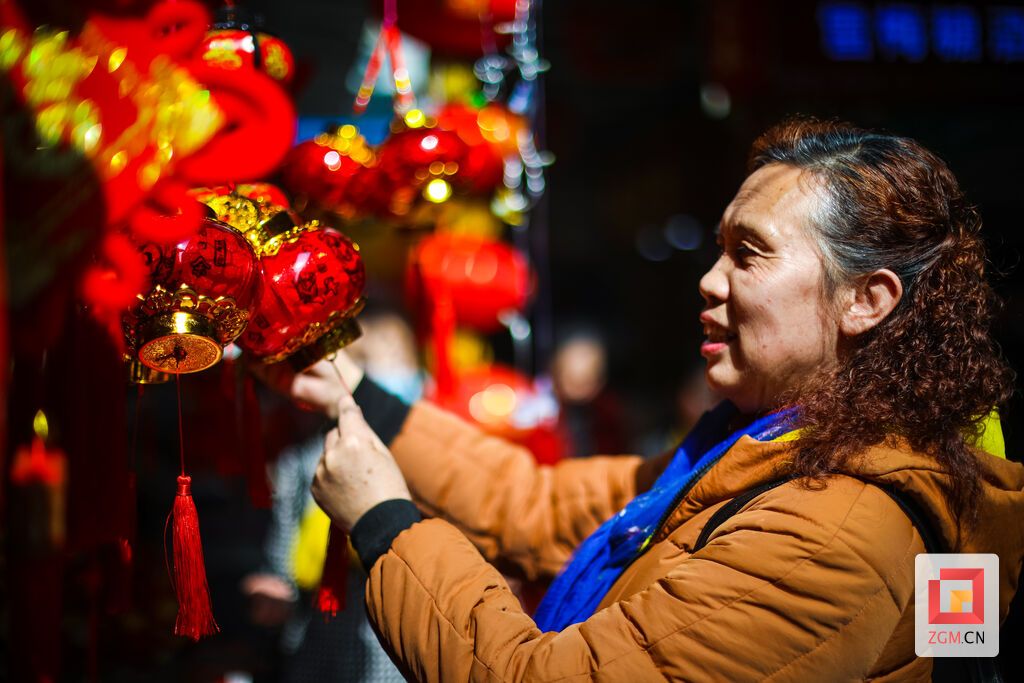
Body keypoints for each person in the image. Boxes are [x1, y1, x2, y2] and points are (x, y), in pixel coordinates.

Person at [293, 118, 1024, 681]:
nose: (709, 280)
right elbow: (536, 506)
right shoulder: (751, 457)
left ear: (865, 300)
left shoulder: (831, 535)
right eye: (719, 248)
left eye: (749, 254)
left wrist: (384, 522)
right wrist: (354, 392)